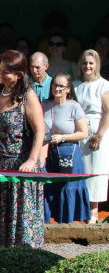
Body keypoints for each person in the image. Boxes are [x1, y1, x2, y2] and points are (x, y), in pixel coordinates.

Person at [0, 51, 46, 247]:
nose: (1, 74)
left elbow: (40, 130)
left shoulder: (28, 96)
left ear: (19, 74)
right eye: (1, 70)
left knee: (17, 217)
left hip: (18, 167)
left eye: (7, 71)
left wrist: (32, 160)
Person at [43, 73, 90, 223]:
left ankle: (67, 224)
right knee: (48, 189)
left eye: (60, 86)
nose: (56, 88)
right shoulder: (45, 104)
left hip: (69, 153)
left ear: (68, 89)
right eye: (54, 85)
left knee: (67, 189)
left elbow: (84, 133)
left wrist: (63, 137)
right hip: (49, 153)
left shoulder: (74, 106)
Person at [73, 49, 109, 223]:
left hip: (96, 132)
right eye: (85, 63)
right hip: (78, 131)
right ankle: (79, 209)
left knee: (96, 170)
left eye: (91, 63)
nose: (88, 66)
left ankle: (94, 210)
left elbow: (108, 112)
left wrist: (100, 134)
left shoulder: (104, 85)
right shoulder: (75, 84)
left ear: (97, 65)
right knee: (80, 170)